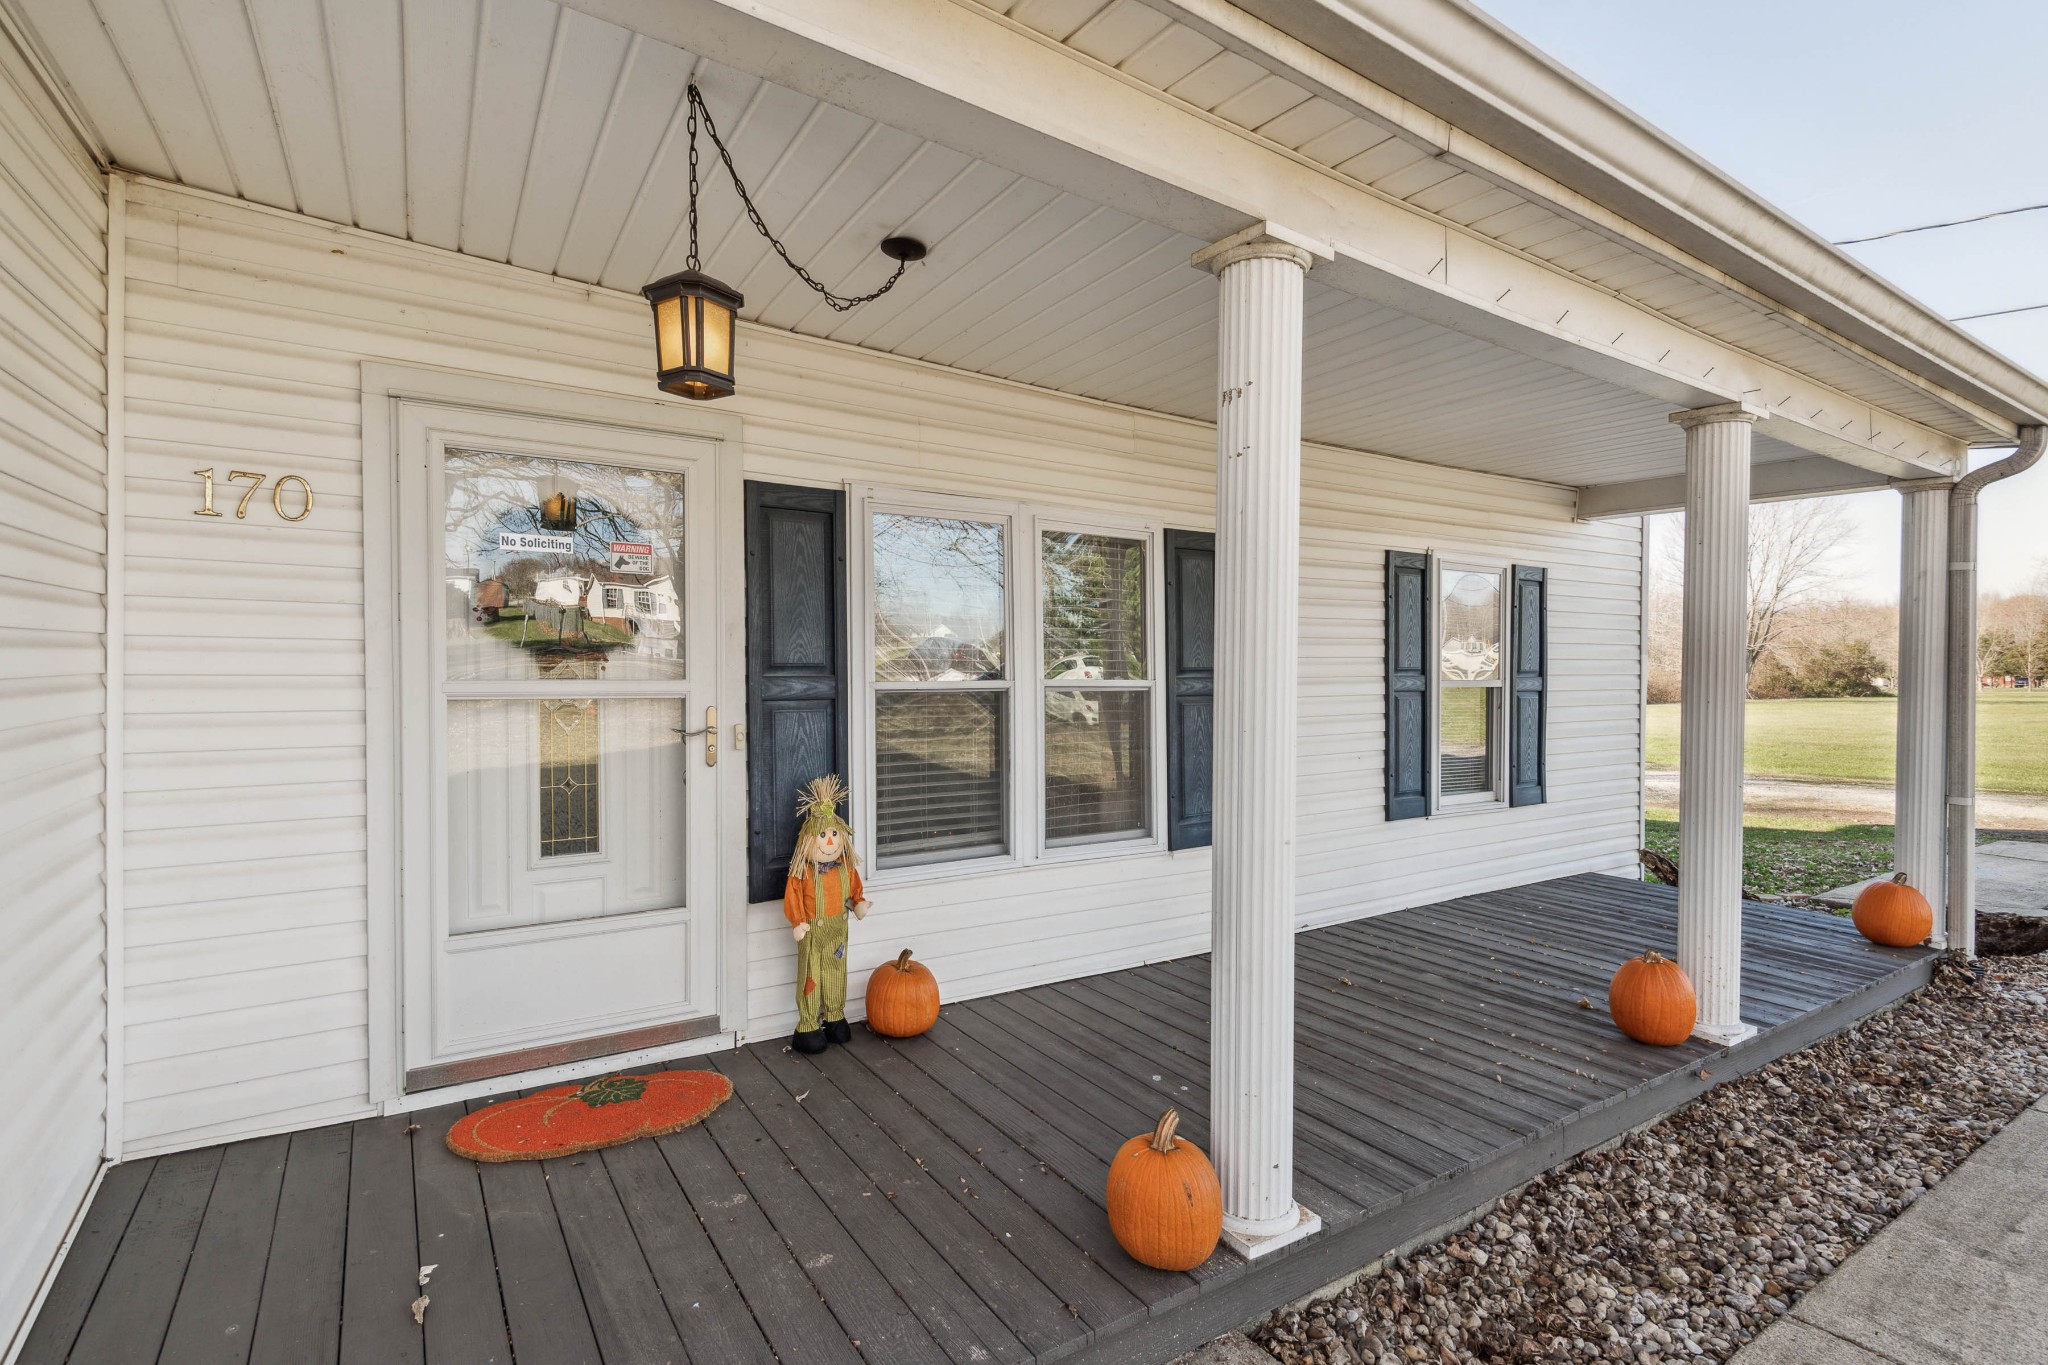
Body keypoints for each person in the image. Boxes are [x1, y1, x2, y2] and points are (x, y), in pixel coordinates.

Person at [783, 775, 870, 1053]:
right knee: (811, 977)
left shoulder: (845, 867)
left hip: (837, 933)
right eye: (822, 836)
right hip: (812, 933)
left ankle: (834, 1017)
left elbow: (854, 891)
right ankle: (808, 1026)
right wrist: (797, 922)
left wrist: (859, 904)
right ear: (808, 840)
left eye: (834, 834)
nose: (830, 841)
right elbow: (793, 896)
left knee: (836, 973)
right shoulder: (803, 871)